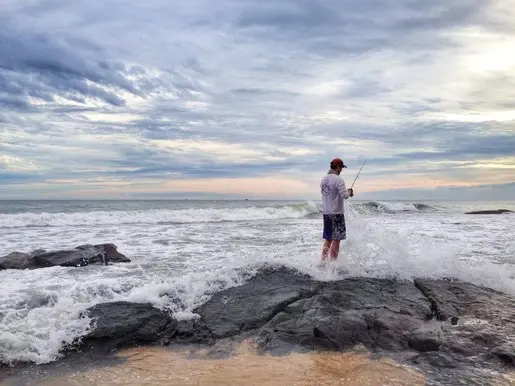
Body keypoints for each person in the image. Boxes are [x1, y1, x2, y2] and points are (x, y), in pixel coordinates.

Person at [320, 158, 354, 261]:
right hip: (337, 214)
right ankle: (333, 265)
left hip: (326, 213)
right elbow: (345, 195)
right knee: (336, 239)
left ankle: (323, 262)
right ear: (338, 167)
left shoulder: (323, 179)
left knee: (328, 239)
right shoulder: (338, 179)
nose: (341, 170)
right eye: (341, 168)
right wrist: (349, 192)